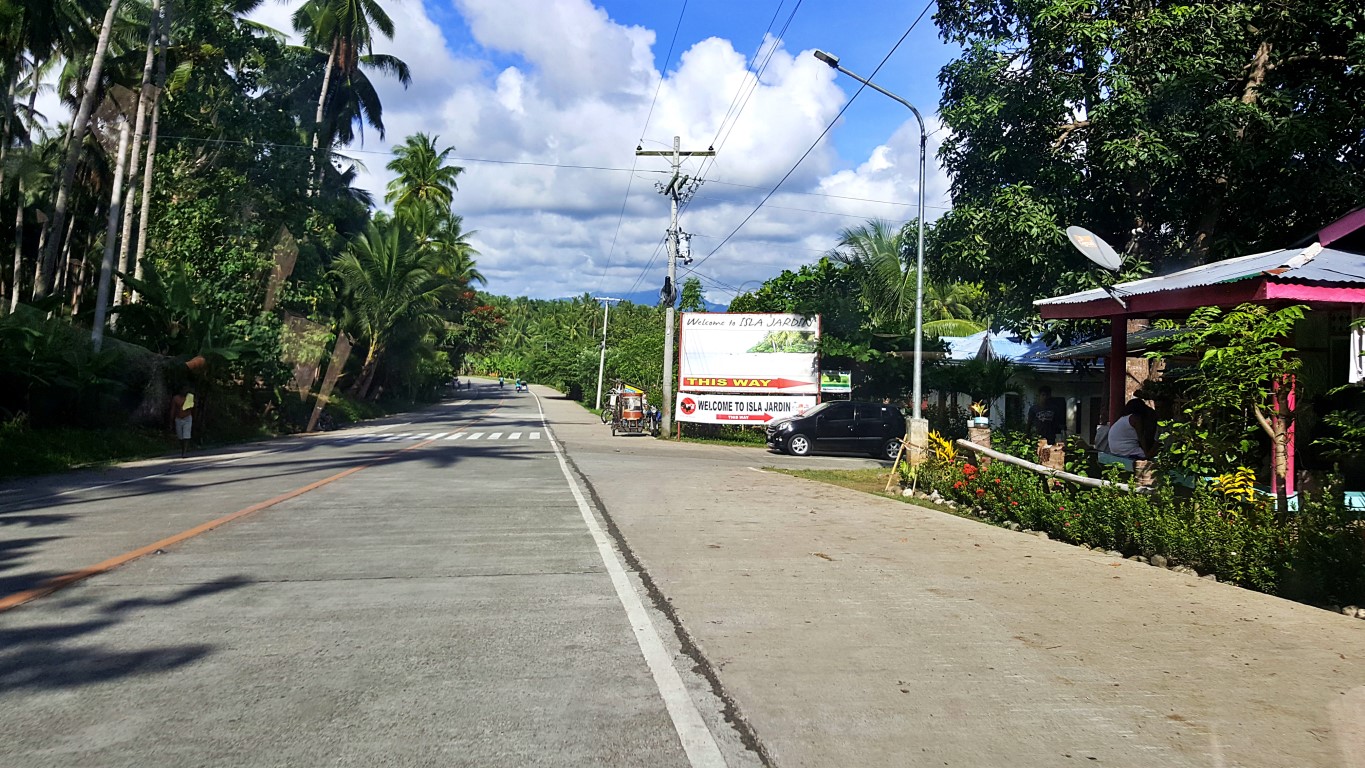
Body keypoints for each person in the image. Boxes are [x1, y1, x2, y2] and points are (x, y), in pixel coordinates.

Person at [169, 387, 195, 458]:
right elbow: (173, 409)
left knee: (186, 435)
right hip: (178, 418)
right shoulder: (175, 398)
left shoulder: (189, 397)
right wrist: (171, 421)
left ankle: (184, 452)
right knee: (180, 436)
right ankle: (182, 448)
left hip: (187, 418)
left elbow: (192, 407)